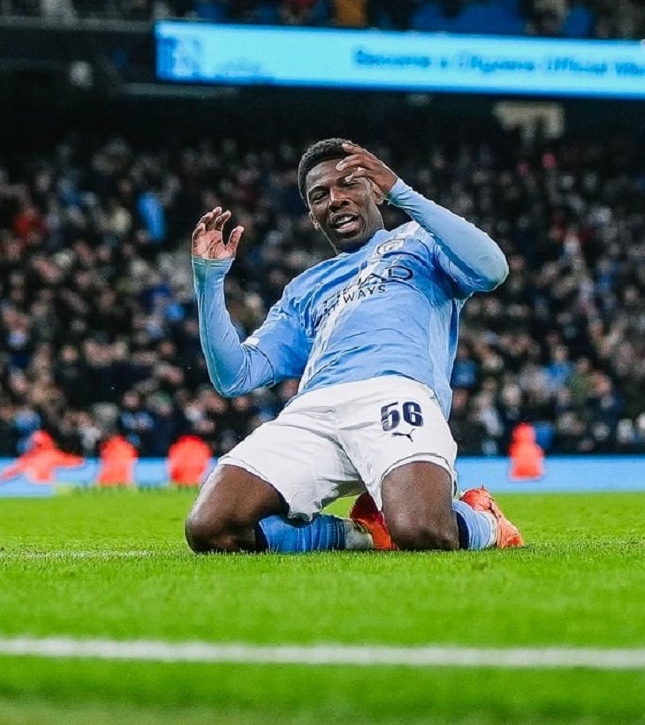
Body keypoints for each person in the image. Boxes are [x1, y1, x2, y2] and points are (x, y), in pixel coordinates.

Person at [185, 139, 523, 553]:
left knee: (423, 532)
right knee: (210, 528)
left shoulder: (421, 239)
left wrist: (403, 192)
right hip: (314, 411)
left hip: (394, 393)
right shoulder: (305, 288)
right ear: (312, 216)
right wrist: (209, 279)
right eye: (320, 196)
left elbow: (493, 269)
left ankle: (486, 521)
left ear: (375, 190)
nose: (336, 200)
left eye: (349, 184)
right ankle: (360, 535)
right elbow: (234, 376)